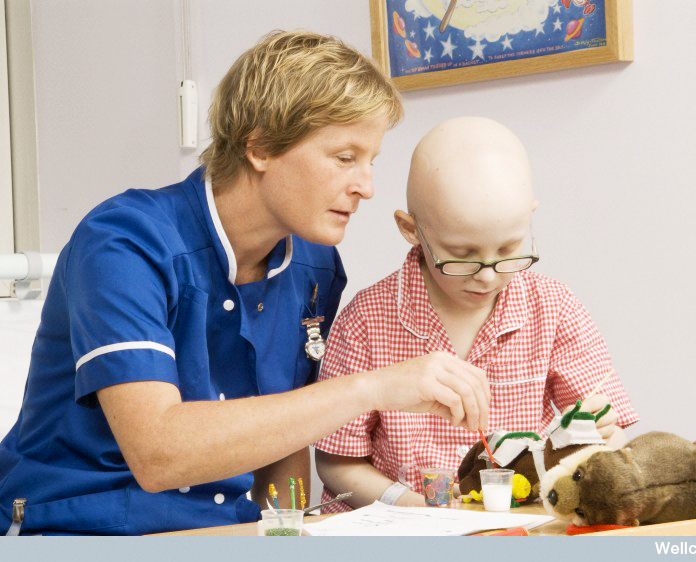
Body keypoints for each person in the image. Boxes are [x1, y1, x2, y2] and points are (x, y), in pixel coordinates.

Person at [0, 31, 491, 535]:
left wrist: (291, 531)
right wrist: (373, 387)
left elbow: (287, 432)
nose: (366, 187)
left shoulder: (314, 265)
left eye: (371, 161)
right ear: (259, 147)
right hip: (77, 527)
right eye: (345, 158)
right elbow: (158, 454)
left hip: (223, 530)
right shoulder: (123, 244)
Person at [315, 116, 639, 511]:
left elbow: (613, 431)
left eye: (507, 250)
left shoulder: (553, 306)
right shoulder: (366, 320)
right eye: (462, 255)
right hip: (401, 530)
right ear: (410, 229)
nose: (487, 276)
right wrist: (419, 510)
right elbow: (337, 462)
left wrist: (598, 436)